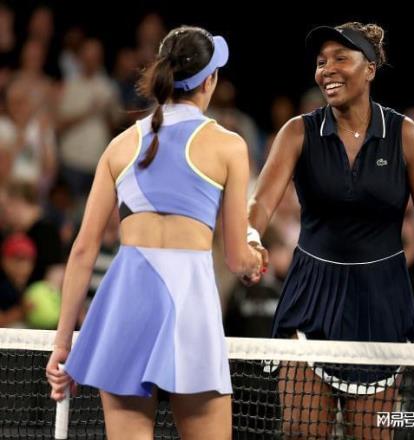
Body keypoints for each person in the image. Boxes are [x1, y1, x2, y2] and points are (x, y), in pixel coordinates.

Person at [246, 22, 414, 439]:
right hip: (310, 300)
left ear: (370, 69)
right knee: (301, 432)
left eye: (341, 58)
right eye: (321, 61)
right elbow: (260, 204)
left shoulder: (405, 136)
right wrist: (251, 239)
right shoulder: (297, 132)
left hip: (382, 305)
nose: (327, 69)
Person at [46, 26, 262, 440]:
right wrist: (255, 258)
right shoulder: (229, 146)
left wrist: (62, 344)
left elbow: (83, 250)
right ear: (209, 81)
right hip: (190, 306)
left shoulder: (120, 145)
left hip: (126, 305)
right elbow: (237, 259)